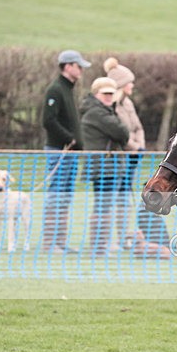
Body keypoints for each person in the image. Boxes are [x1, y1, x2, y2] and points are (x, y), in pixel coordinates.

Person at [41, 49, 90, 254]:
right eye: (78, 66)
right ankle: (49, 243)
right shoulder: (56, 89)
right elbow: (48, 120)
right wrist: (69, 139)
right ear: (67, 66)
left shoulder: (68, 89)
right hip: (59, 151)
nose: (80, 70)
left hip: (70, 154)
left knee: (66, 196)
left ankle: (59, 243)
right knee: (56, 194)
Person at [79, 77, 130, 257]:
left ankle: (101, 244)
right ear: (96, 94)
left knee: (104, 205)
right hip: (104, 166)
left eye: (111, 93)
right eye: (105, 93)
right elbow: (122, 131)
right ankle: (100, 246)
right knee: (104, 206)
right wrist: (122, 133)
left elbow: (121, 132)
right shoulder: (97, 113)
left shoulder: (103, 110)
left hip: (108, 165)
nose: (109, 97)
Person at [104, 57, 146, 251]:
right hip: (119, 157)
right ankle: (110, 239)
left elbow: (137, 127)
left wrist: (140, 147)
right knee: (114, 199)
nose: (133, 85)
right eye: (129, 81)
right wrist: (133, 147)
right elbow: (119, 133)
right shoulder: (112, 105)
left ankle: (123, 237)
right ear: (121, 84)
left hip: (132, 157)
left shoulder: (128, 103)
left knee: (125, 200)